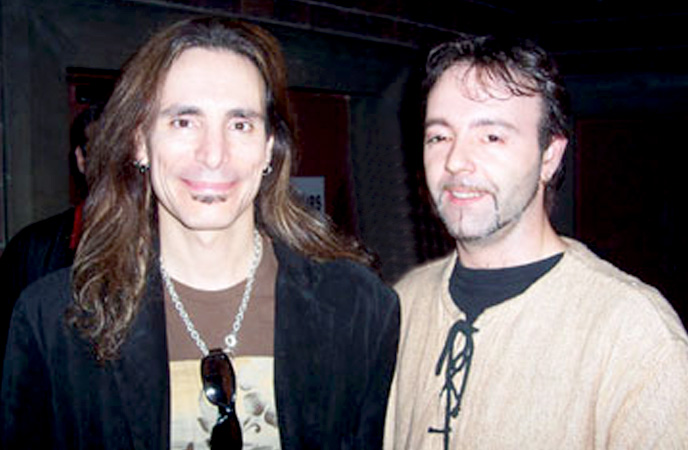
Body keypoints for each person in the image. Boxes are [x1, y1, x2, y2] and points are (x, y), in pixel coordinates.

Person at [1, 17, 399, 450]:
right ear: (140, 142)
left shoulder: (358, 309)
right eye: (184, 122)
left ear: (269, 148)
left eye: (240, 124)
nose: (213, 155)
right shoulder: (54, 324)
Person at [384, 35, 688, 449]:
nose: (456, 161)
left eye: (491, 137)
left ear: (549, 156)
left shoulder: (633, 335)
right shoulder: (401, 305)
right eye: (439, 137)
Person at [0, 103, 101, 376]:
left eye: (119, 152)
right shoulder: (30, 250)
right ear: (81, 159)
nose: (110, 164)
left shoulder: (169, 246)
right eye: (99, 151)